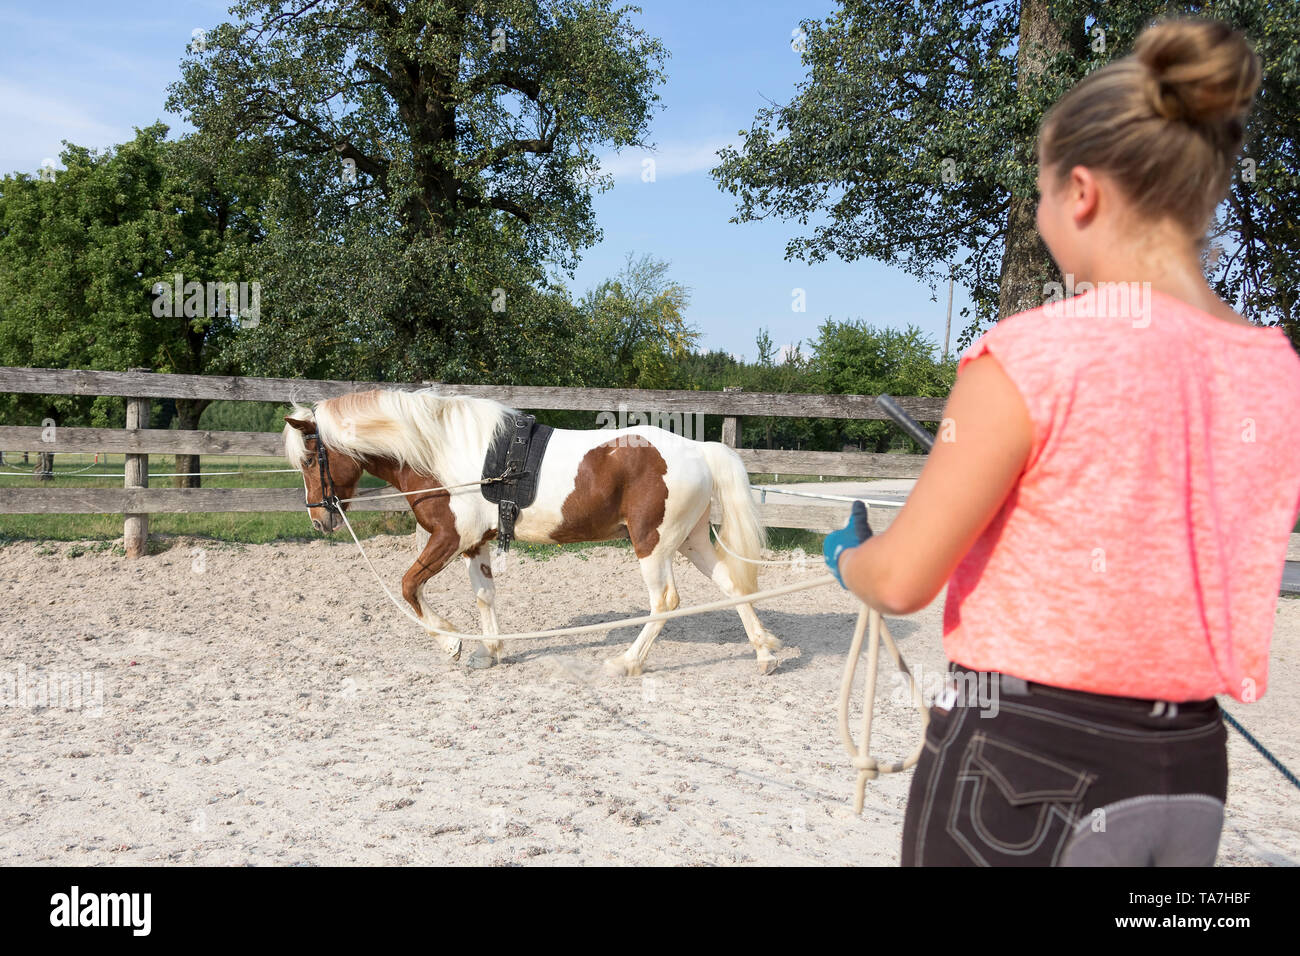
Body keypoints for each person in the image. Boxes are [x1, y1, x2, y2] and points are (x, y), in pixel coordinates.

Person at [823, 17, 1300, 866]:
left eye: (1041, 195)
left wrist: (849, 558)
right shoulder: (1277, 372)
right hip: (1190, 765)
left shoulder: (1030, 354)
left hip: (1025, 763)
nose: (1042, 215)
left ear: (1081, 192)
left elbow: (901, 581)